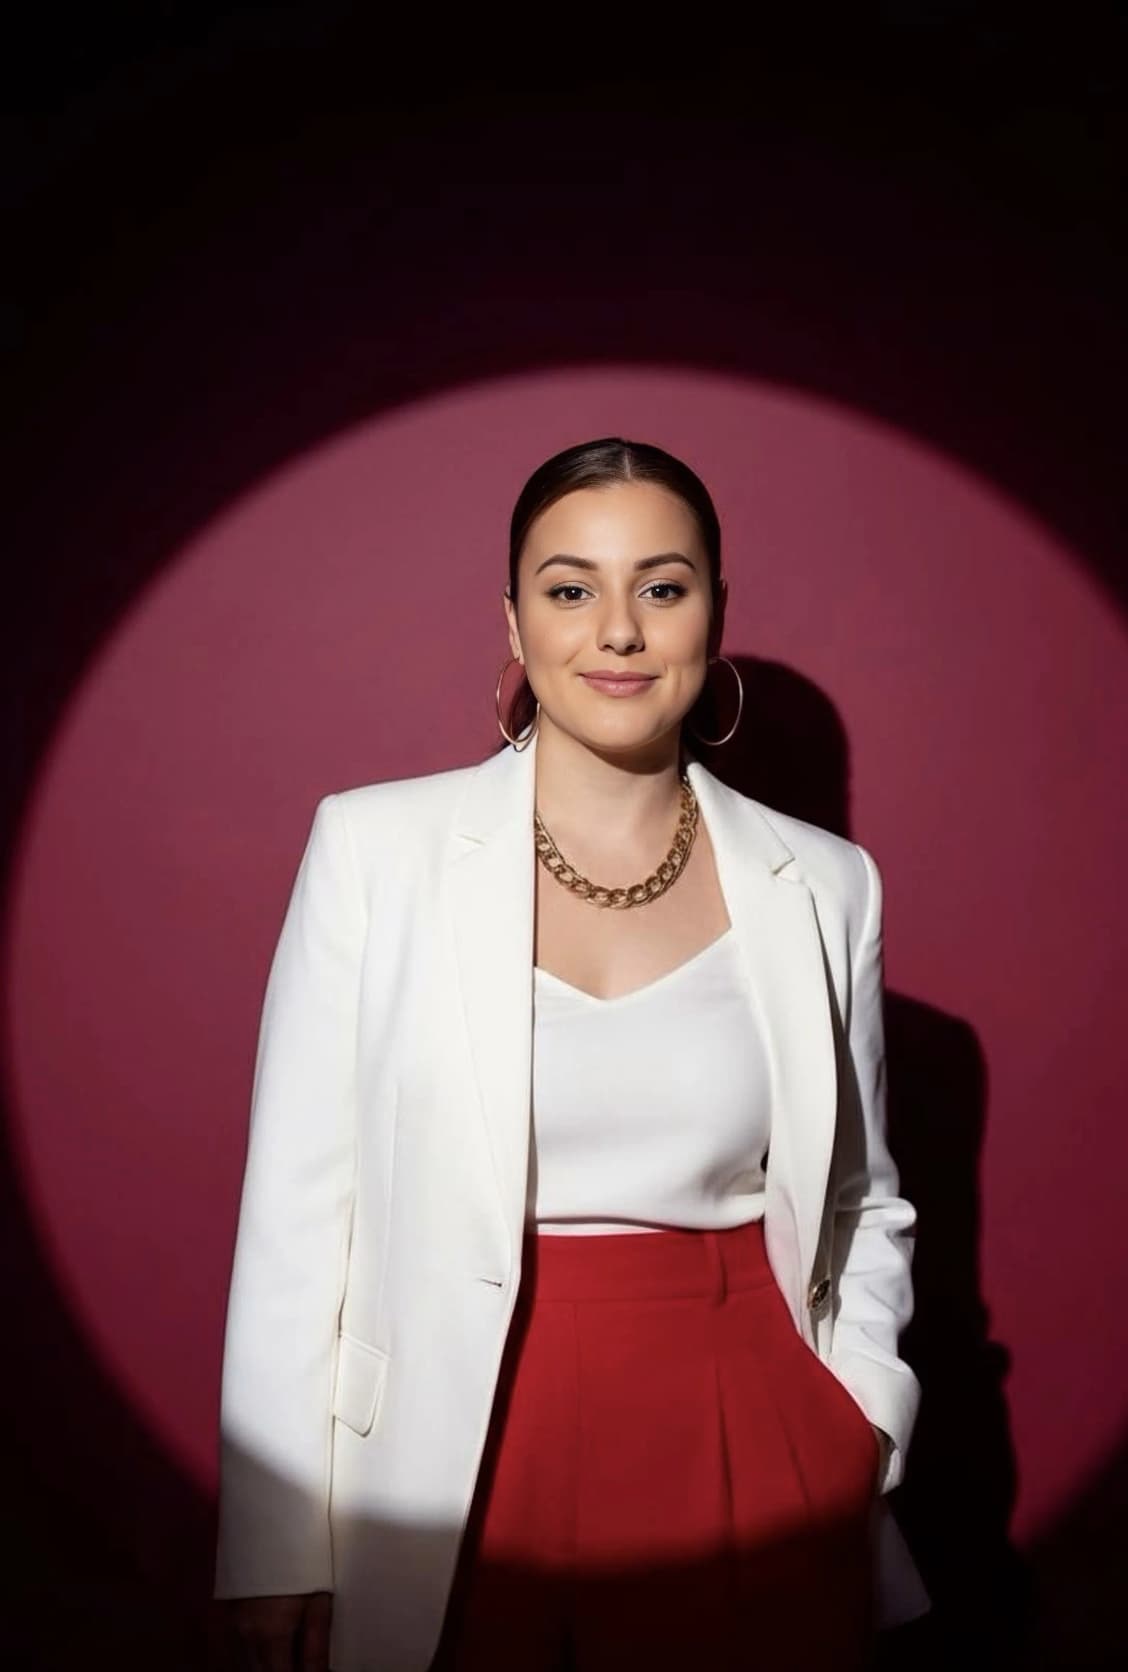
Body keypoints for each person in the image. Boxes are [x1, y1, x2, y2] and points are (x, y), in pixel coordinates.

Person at [212, 437, 928, 1672]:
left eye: (662, 586)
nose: (618, 631)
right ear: (512, 617)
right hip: (449, 1450)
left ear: (715, 614)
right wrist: (278, 1542)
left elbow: (863, 1200)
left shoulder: (825, 883)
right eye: (568, 587)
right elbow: (295, 1211)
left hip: (749, 1442)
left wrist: (862, 1418)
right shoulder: (375, 852)